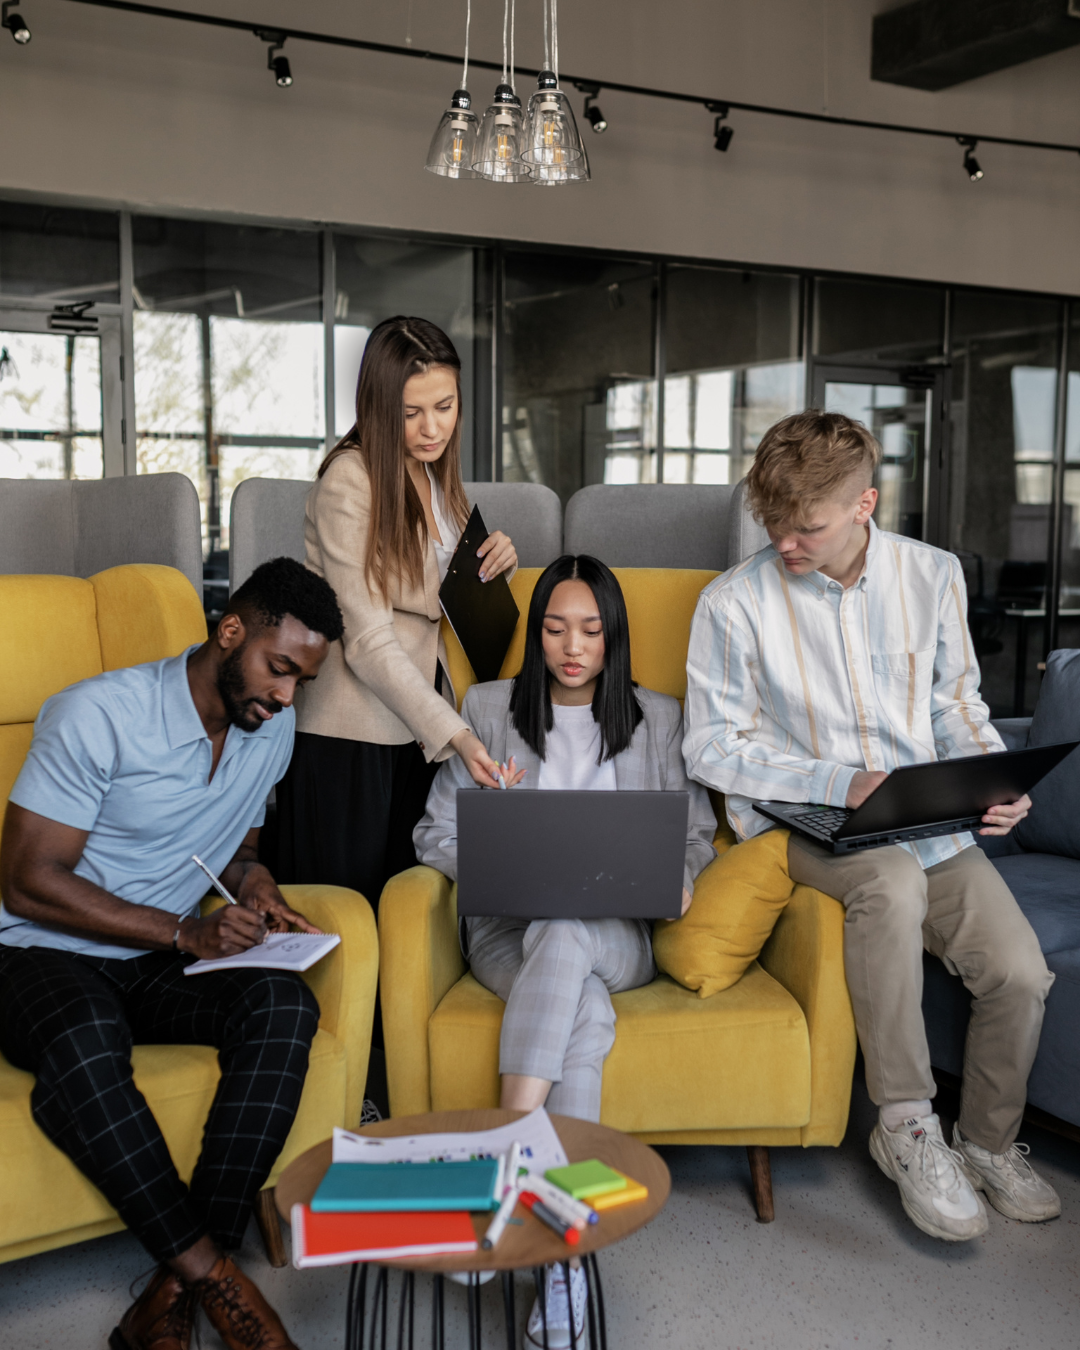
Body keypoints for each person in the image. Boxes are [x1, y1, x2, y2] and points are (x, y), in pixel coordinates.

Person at [683, 409, 1059, 1244]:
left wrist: (993, 775)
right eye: (774, 524)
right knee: (887, 884)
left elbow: (954, 705)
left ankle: (988, 1144)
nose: (785, 543)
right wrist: (836, 780)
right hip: (809, 825)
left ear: (865, 504)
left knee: (1020, 971)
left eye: (807, 527)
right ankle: (908, 1125)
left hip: (929, 824)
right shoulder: (732, 602)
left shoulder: (933, 576)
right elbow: (710, 746)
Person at [0, 557, 345, 1350]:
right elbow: (25, 882)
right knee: (86, 1037)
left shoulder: (269, 729)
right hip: (38, 953)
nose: (287, 696)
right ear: (231, 632)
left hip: (154, 958)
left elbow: (235, 852)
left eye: (303, 680)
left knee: (283, 1003)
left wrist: (258, 888)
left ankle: (169, 1292)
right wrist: (186, 933)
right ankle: (219, 1280)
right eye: (278, 668)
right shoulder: (96, 715)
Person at [415, 554, 715, 1346]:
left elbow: (696, 834)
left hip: (617, 934)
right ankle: (566, 1264)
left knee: (570, 924)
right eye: (554, 629)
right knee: (580, 1000)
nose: (572, 647)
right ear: (536, 634)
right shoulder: (487, 709)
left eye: (590, 630)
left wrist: (682, 878)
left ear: (614, 635)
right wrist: (499, 853)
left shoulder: (659, 718)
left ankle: (498, 1168)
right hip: (507, 931)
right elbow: (433, 833)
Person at [275, 315, 518, 914]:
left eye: (445, 406)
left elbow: (440, 590)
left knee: (403, 915)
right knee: (344, 917)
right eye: (411, 413)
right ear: (378, 406)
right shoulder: (349, 481)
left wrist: (497, 563)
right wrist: (458, 734)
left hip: (415, 727)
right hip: (351, 734)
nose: (432, 427)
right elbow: (367, 639)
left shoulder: (436, 476)